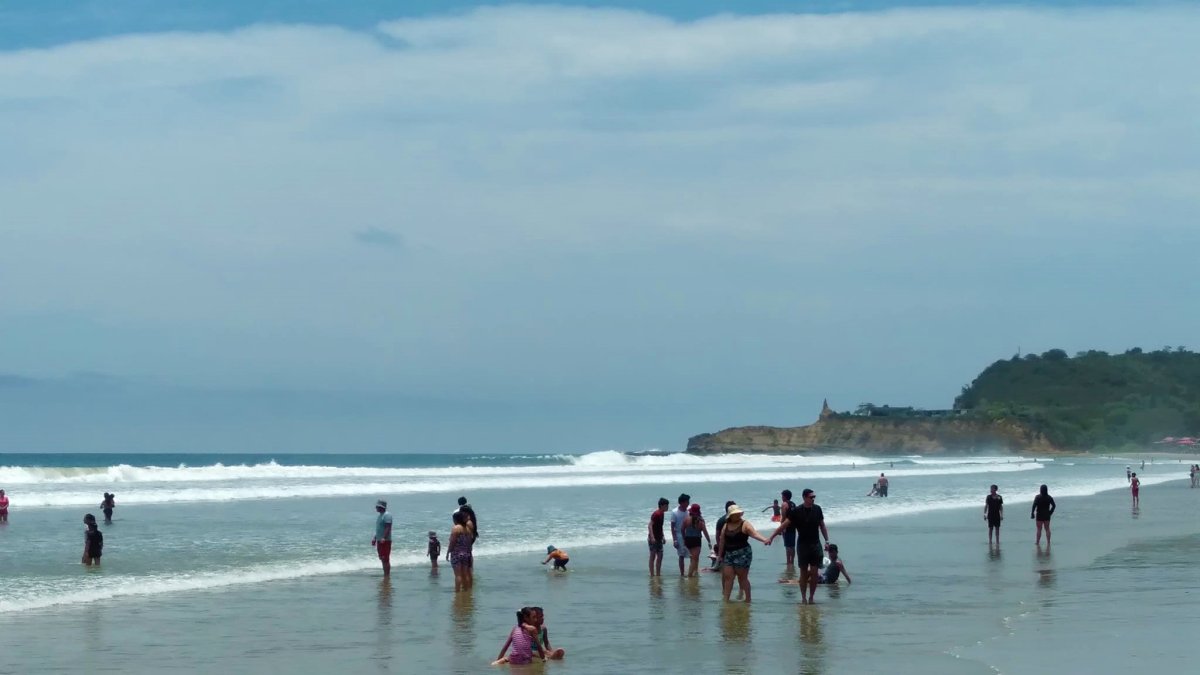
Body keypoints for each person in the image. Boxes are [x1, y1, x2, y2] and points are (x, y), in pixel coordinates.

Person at [768, 488, 829, 604]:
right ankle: (803, 598)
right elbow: (784, 525)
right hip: (803, 545)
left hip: (816, 544)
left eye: (814, 497)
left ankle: (811, 597)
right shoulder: (797, 511)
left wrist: (827, 541)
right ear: (805, 498)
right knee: (804, 573)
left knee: (815, 572)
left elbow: (822, 526)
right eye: (811, 497)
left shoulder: (817, 509)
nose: (813, 499)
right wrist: (771, 537)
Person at [715, 504, 769, 602]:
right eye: (735, 514)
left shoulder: (745, 524)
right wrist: (719, 555)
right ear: (730, 515)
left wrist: (765, 540)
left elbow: (754, 534)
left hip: (743, 554)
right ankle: (726, 600)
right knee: (728, 577)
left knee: (742, 578)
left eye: (738, 513)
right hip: (729, 554)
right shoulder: (726, 525)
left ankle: (748, 599)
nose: (738, 515)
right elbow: (722, 541)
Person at [779, 543, 852, 586]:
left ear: (837, 552)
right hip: (824, 577)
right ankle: (788, 581)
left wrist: (850, 584)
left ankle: (788, 582)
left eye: (832, 552)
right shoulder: (831, 558)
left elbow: (846, 575)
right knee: (807, 574)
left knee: (806, 579)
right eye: (830, 552)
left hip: (825, 581)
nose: (830, 554)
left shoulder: (838, 563)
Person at [447, 510, 475, 591]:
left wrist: (448, 551)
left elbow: (452, 541)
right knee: (466, 574)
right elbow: (469, 542)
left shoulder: (456, 528)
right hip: (466, 553)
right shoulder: (468, 529)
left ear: (456, 519)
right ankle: (467, 590)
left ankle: (457, 592)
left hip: (457, 553)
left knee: (458, 575)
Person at [682, 503, 712, 577]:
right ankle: (690, 575)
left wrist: (684, 538)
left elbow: (682, 529)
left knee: (693, 558)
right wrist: (709, 541)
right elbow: (705, 532)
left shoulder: (686, 519)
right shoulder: (701, 521)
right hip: (696, 540)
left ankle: (695, 571)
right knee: (695, 559)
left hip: (688, 539)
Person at [670, 493, 691, 577]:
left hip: (690, 535)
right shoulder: (675, 512)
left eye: (688, 501)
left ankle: (691, 572)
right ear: (681, 502)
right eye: (687, 502)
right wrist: (674, 540)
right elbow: (672, 527)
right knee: (681, 556)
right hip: (679, 536)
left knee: (692, 555)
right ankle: (682, 574)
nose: (688, 503)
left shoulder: (689, 510)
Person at [776, 489, 798, 566]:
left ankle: (788, 562)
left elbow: (783, 518)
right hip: (793, 527)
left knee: (787, 546)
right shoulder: (793, 504)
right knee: (792, 546)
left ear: (785, 496)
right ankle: (792, 561)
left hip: (786, 527)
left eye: (782, 496)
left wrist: (781, 528)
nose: (781, 497)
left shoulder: (784, 504)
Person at [371, 500, 393, 577]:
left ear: (381, 507)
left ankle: (387, 576)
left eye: (377, 506)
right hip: (379, 540)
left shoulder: (387, 515)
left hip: (385, 541)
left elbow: (388, 527)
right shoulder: (380, 516)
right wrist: (374, 538)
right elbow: (379, 529)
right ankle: (385, 574)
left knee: (385, 559)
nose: (376, 507)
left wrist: (384, 537)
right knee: (382, 558)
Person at [647, 497, 668, 576]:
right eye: (666, 506)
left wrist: (663, 536)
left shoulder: (662, 514)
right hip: (653, 538)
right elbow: (650, 525)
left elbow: (660, 526)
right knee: (652, 556)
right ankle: (652, 574)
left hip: (659, 538)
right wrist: (652, 537)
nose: (667, 507)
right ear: (662, 506)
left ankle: (658, 574)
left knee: (660, 556)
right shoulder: (656, 514)